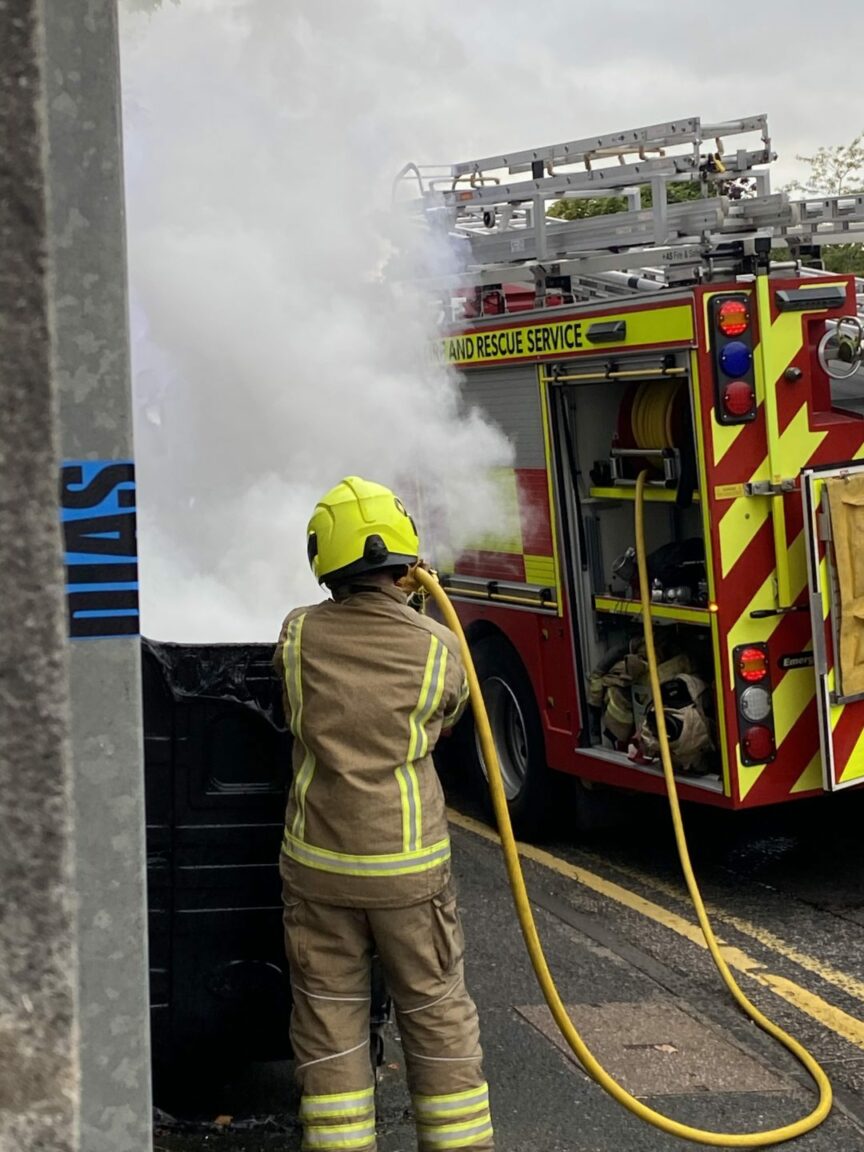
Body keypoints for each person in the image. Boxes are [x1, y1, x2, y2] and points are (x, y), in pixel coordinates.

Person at [274, 476, 494, 1152]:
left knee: (329, 1020)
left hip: (319, 868)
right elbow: (447, 719)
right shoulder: (439, 646)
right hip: (409, 873)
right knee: (436, 1011)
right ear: (406, 560)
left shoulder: (298, 633)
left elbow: (292, 707)